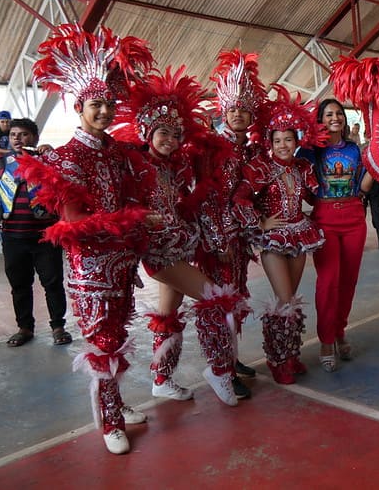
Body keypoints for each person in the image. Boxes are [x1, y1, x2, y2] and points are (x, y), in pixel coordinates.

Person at [18, 24, 156, 455]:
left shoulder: (119, 153)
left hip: (123, 264)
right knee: (101, 342)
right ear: (79, 106)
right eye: (96, 104)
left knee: (119, 335)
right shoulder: (63, 158)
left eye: (109, 104)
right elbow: (76, 221)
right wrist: (128, 220)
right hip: (89, 267)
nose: (104, 111)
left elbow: (135, 197)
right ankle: (110, 420)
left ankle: (116, 401)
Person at [114, 66, 250, 405]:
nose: (169, 140)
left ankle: (162, 379)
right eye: (162, 132)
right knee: (215, 297)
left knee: (168, 315)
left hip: (178, 248)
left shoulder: (174, 165)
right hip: (158, 253)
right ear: (147, 131)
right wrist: (142, 218)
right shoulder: (134, 164)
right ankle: (219, 370)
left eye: (175, 134)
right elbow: (124, 205)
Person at [233, 85, 326, 384]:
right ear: (269, 142)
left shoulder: (302, 167)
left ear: (296, 141)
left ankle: (290, 354)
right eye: (278, 140)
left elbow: (315, 197)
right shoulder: (260, 167)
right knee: (283, 299)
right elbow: (240, 198)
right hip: (274, 240)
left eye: (288, 139)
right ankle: (278, 360)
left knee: (290, 301)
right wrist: (259, 223)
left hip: (300, 234)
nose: (284, 145)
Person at [193, 49, 269, 400]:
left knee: (236, 297)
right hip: (216, 240)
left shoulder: (252, 152)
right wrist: (216, 239)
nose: (238, 114)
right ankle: (221, 369)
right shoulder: (212, 148)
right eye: (233, 109)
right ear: (223, 112)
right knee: (219, 301)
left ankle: (232, 359)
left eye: (244, 110)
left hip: (239, 239)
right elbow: (205, 196)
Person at [298, 98, 374, 372]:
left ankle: (340, 329)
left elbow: (365, 182)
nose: (335, 118)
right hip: (325, 220)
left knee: (348, 282)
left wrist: (377, 163)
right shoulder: (310, 152)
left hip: (354, 218)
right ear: (320, 119)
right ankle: (326, 340)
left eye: (339, 113)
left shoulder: (355, 150)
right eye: (328, 114)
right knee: (328, 281)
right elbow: (301, 184)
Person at [0, 118, 72, 347]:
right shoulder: (2, 164)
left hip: (45, 235)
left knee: (52, 282)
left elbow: (66, 183)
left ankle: (58, 326)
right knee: (19, 285)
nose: (18, 139)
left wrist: (52, 155)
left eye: (24, 134)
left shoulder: (49, 162)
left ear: (35, 138)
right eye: (13, 135)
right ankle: (25, 327)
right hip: (12, 236)